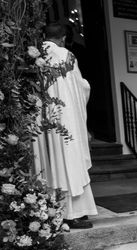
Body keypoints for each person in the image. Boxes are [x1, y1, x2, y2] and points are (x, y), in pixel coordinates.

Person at [33, 23, 96, 229]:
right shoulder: (67, 55)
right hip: (66, 118)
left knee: (54, 162)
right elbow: (80, 87)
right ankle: (73, 213)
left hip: (46, 121)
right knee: (71, 160)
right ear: (61, 39)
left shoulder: (36, 56)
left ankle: (55, 211)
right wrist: (87, 87)